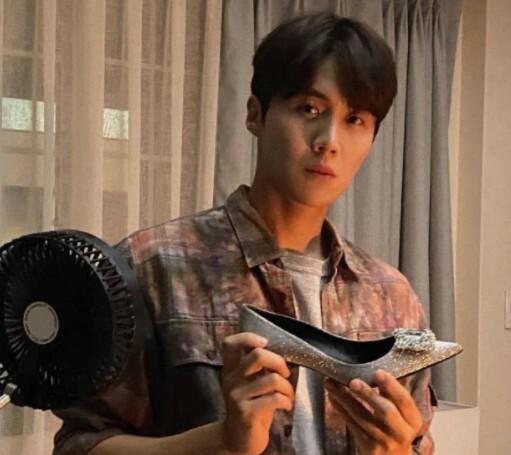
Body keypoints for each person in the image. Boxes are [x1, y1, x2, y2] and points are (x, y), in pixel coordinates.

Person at [53, 12, 435, 455]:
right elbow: (81, 444)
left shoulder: (391, 296)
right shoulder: (154, 267)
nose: (329, 140)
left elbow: (420, 443)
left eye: (355, 120)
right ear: (256, 114)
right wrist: (223, 441)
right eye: (309, 109)